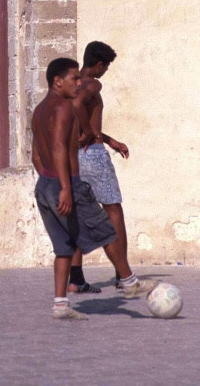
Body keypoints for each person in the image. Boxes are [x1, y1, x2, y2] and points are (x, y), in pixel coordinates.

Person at [32, 57, 157, 320]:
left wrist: (50, 183)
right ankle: (130, 282)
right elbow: (57, 148)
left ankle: (60, 305)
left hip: (44, 185)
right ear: (58, 82)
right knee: (106, 230)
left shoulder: (40, 110)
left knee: (64, 246)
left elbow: (36, 155)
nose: (79, 83)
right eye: (74, 79)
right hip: (67, 184)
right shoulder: (63, 108)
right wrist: (66, 187)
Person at [69, 41, 129, 292]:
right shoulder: (93, 83)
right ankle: (122, 274)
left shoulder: (70, 84)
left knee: (76, 215)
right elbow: (78, 107)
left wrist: (110, 140)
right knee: (113, 208)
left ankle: (76, 279)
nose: (105, 72)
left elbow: (78, 114)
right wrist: (89, 133)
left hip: (74, 157)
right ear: (100, 64)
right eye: (106, 67)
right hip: (93, 156)